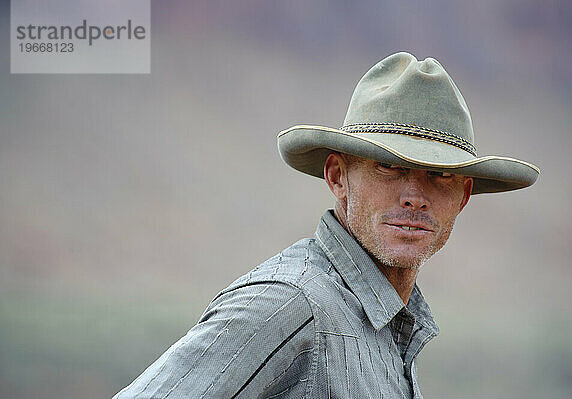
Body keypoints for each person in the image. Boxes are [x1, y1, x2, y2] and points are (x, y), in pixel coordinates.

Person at [114, 52, 539, 398]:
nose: (414, 194)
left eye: (439, 174)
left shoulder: (387, 321)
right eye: (389, 167)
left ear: (463, 196)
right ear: (337, 176)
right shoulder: (289, 306)